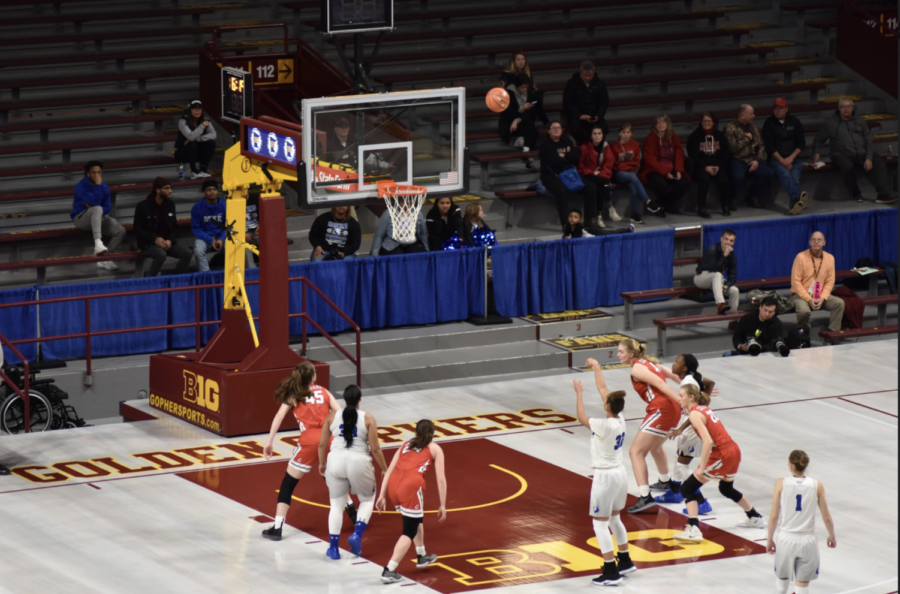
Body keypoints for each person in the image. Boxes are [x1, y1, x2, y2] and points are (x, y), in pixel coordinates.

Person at [259, 362, 356, 541]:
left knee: (288, 484)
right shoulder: (324, 391)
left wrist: (270, 441)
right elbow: (341, 413)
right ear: (313, 376)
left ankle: (278, 527)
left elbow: (279, 416)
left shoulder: (294, 394)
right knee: (332, 479)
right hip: (330, 439)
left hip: (310, 441)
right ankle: (353, 511)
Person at [672, 383, 766, 542]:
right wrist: (680, 429)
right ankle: (754, 517)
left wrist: (702, 466)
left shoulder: (695, 414)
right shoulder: (703, 409)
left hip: (721, 454)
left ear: (691, 397)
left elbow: (708, 441)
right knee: (726, 488)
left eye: (681, 395)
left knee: (687, 487)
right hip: (733, 450)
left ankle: (693, 528)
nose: (679, 398)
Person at [575, 359, 636, 585]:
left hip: (605, 476)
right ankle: (625, 560)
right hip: (620, 474)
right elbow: (604, 390)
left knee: (600, 524)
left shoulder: (603, 425)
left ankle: (610, 571)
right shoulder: (620, 420)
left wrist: (579, 393)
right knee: (615, 518)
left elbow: (581, 418)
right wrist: (596, 367)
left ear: (607, 406)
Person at [318, 385, 387, 559]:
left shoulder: (331, 416)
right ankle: (356, 534)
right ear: (360, 400)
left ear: (344, 400)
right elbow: (376, 449)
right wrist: (384, 468)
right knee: (367, 500)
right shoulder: (368, 419)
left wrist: (321, 463)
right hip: (359, 461)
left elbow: (321, 444)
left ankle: (333, 548)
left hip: (335, 461)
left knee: (336, 506)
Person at [375, 420, 447, 584]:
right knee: (409, 530)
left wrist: (382, 495)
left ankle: (421, 555)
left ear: (415, 432)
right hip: (411, 486)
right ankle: (389, 569)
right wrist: (442, 504)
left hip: (394, 484)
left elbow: (388, 471)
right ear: (433, 433)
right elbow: (441, 479)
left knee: (415, 519)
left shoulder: (405, 445)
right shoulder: (435, 448)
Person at [615, 338, 682, 513]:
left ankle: (645, 497)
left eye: (621, 351)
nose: (618, 354)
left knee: (635, 452)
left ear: (631, 354)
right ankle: (666, 482)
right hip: (672, 409)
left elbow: (660, 383)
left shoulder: (637, 368)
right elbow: (675, 375)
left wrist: (682, 401)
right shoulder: (649, 363)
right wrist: (694, 390)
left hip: (662, 408)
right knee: (656, 447)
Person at [767, 450, 837, 594]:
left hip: (786, 538)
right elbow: (827, 517)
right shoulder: (817, 485)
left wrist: (769, 539)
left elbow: (774, 516)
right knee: (802, 587)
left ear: (790, 465)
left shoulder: (781, 483)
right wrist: (831, 536)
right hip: (807, 540)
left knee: (781, 583)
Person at [656, 355, 717, 515]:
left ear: (684, 368)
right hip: (691, 425)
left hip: (692, 428)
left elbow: (694, 412)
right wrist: (705, 401)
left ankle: (701, 501)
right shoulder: (692, 377)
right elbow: (710, 383)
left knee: (683, 465)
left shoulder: (688, 382)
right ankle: (675, 492)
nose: (674, 364)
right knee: (680, 457)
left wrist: (680, 429)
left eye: (677, 362)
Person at [812, 97, 896, 204]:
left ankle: (883, 195)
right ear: (838, 108)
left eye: (848, 106)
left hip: (861, 152)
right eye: (843, 107)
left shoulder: (859, 120)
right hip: (840, 153)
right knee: (846, 165)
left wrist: (869, 157)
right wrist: (816, 152)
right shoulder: (830, 123)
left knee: (879, 162)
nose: (846, 109)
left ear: (853, 108)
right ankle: (855, 192)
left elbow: (868, 138)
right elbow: (818, 139)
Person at [539, 121, 598, 230]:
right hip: (551, 175)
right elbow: (553, 162)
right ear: (549, 131)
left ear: (562, 130)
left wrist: (564, 155)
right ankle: (566, 223)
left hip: (569, 173)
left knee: (591, 187)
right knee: (561, 190)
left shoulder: (566, 140)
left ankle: (590, 219)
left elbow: (576, 155)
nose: (556, 129)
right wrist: (567, 158)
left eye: (558, 127)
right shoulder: (545, 145)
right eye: (553, 128)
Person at [71, 160, 126, 271]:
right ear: (88, 174)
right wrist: (97, 187)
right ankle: (98, 243)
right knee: (97, 208)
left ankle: (105, 259)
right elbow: (96, 203)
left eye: (99, 172)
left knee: (120, 231)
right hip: (81, 218)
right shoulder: (81, 186)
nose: (97, 175)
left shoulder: (104, 187)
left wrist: (95, 208)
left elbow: (107, 208)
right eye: (94, 173)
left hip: (99, 217)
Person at [133, 177, 193, 276]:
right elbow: (137, 229)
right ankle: (151, 282)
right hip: (149, 243)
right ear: (157, 190)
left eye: (170, 188)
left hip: (166, 242)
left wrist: (170, 240)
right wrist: (154, 238)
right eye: (166, 188)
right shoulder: (142, 206)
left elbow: (174, 226)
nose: (170, 191)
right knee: (161, 255)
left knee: (187, 253)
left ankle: (177, 279)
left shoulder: (170, 205)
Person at [790, 231, 845, 333]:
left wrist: (823, 297)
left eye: (819, 240)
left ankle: (833, 333)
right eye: (814, 240)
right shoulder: (801, 257)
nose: (816, 242)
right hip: (800, 295)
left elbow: (830, 281)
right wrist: (808, 299)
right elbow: (795, 282)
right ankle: (803, 332)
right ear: (810, 242)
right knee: (803, 311)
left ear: (824, 243)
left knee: (839, 303)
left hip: (819, 294)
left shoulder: (830, 258)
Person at [763, 98, 809, 215]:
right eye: (775, 108)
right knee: (785, 174)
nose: (778, 111)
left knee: (795, 177)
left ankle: (794, 205)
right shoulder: (769, 123)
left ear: (786, 109)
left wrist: (790, 158)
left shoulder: (794, 121)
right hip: (776, 159)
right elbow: (769, 147)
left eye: (781, 108)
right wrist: (782, 160)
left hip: (793, 158)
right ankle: (797, 199)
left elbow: (801, 144)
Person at [639, 115, 691, 216]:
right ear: (655, 125)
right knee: (662, 185)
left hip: (672, 169)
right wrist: (665, 173)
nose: (661, 124)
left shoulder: (672, 136)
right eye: (658, 122)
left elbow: (679, 152)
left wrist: (678, 170)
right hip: (653, 170)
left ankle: (659, 205)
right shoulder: (650, 138)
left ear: (668, 124)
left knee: (685, 182)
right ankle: (667, 206)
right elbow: (650, 160)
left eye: (663, 122)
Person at [607, 123, 658, 225]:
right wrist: (628, 166)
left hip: (630, 173)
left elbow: (636, 163)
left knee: (633, 185)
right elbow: (615, 165)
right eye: (623, 132)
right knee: (632, 176)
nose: (626, 135)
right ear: (619, 133)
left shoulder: (634, 144)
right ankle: (648, 201)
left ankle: (633, 214)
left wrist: (626, 166)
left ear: (632, 134)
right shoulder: (614, 146)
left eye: (628, 132)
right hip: (617, 174)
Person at [725, 104, 774, 209]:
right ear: (742, 116)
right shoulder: (730, 128)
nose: (754, 116)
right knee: (738, 176)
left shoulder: (753, 127)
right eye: (751, 114)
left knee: (768, 173)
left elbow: (760, 146)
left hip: (752, 159)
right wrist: (746, 139)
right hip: (737, 159)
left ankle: (752, 195)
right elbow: (732, 148)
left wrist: (757, 160)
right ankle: (731, 198)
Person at [687, 111, 731, 217]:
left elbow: (726, 154)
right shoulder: (694, 136)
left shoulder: (720, 136)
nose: (706, 123)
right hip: (701, 166)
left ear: (713, 122)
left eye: (709, 121)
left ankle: (725, 206)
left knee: (724, 180)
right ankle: (701, 208)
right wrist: (705, 167)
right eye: (704, 121)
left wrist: (718, 166)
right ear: (701, 122)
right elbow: (693, 155)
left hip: (717, 166)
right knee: (704, 180)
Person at [562, 61, 609, 144]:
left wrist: (598, 115)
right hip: (577, 115)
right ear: (581, 72)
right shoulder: (571, 84)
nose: (588, 78)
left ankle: (597, 147)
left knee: (604, 128)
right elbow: (568, 103)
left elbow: (603, 102)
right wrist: (579, 115)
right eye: (585, 75)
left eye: (590, 75)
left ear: (593, 73)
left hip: (594, 114)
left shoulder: (600, 84)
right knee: (575, 129)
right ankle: (585, 145)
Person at [694, 229, 739, 314]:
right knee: (717, 274)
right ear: (721, 239)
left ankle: (733, 320)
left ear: (733, 243)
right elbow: (714, 269)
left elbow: (732, 277)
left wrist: (725, 287)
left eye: (731, 241)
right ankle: (720, 304)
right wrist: (724, 256)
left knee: (735, 291)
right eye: (726, 239)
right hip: (701, 278)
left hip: (716, 282)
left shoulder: (732, 256)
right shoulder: (712, 249)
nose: (728, 242)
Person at [497, 51, 548, 125]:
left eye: (523, 59)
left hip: (526, 95)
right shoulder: (507, 73)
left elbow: (531, 86)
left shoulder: (528, 72)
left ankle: (545, 122)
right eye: (518, 60)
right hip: (513, 99)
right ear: (513, 61)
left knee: (537, 98)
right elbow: (502, 87)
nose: (521, 62)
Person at [577, 125, 612, 230]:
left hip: (599, 176)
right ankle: (609, 207)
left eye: (599, 134)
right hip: (586, 175)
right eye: (594, 134)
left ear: (603, 135)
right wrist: (592, 172)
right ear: (591, 136)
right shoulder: (584, 148)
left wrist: (600, 175)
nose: (597, 136)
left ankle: (598, 216)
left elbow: (608, 165)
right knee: (602, 183)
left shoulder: (606, 147)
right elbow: (580, 166)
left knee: (601, 184)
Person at [191, 180, 227, 272]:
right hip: (206, 237)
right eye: (209, 189)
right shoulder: (197, 207)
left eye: (214, 189)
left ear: (217, 191)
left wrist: (221, 239)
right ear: (204, 192)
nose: (212, 192)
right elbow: (197, 229)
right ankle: (207, 277)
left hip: (223, 236)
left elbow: (228, 226)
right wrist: (210, 241)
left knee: (232, 246)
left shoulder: (225, 205)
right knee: (198, 250)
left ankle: (231, 274)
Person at [174, 100, 216, 179]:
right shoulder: (183, 121)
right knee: (191, 144)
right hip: (183, 153)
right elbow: (191, 137)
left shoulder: (205, 119)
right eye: (194, 109)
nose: (197, 111)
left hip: (197, 152)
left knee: (211, 143)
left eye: (199, 109)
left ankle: (203, 170)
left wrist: (199, 139)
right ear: (190, 110)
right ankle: (194, 171)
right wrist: (202, 125)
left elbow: (214, 135)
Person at [499, 74, 539, 155]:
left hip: (522, 121)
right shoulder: (508, 95)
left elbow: (530, 113)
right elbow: (508, 115)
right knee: (532, 129)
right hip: (508, 123)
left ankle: (526, 152)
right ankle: (526, 153)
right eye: (523, 87)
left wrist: (517, 120)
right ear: (516, 86)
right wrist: (521, 109)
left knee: (533, 128)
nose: (525, 90)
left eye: (526, 87)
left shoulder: (529, 93)